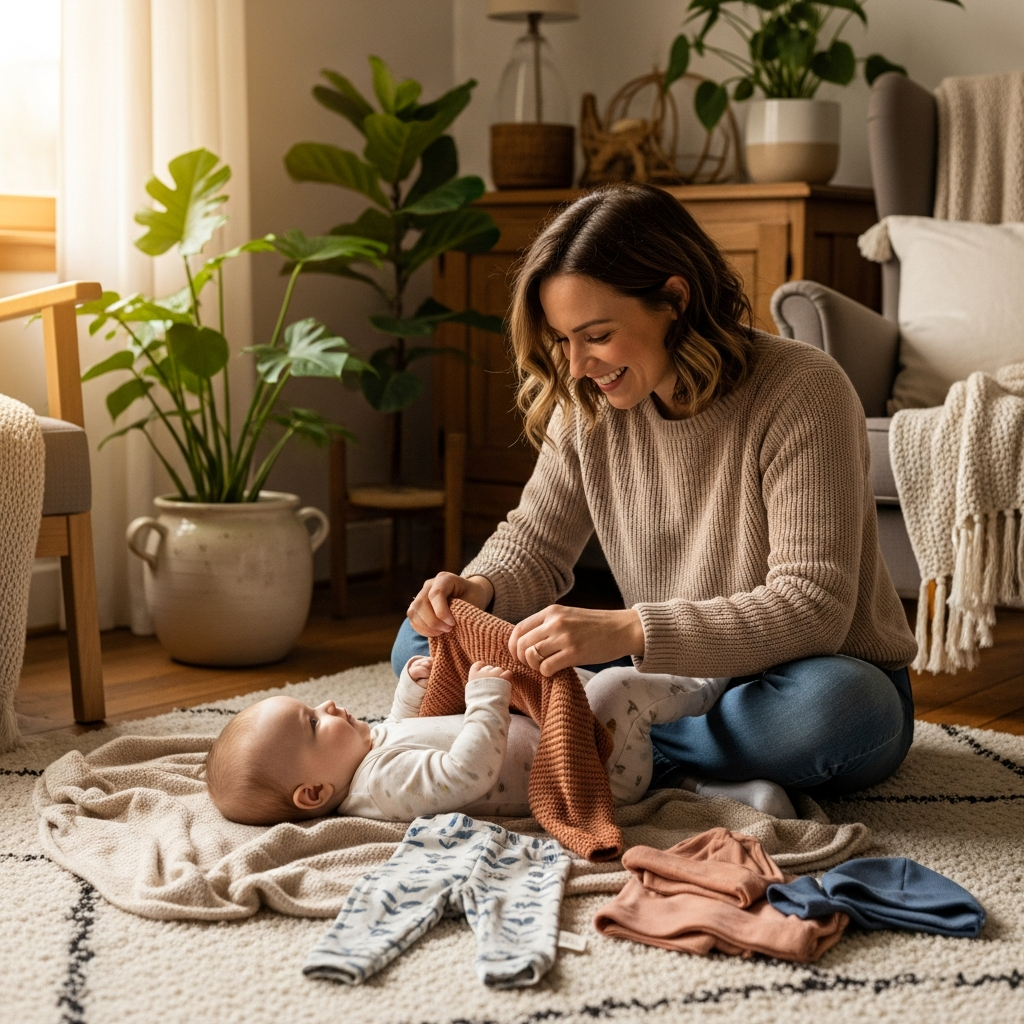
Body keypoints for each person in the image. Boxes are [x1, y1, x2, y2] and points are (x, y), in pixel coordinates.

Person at [398, 182, 918, 807]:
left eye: (596, 335)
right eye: (562, 340)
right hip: (665, 685)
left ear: (673, 298)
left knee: (841, 710)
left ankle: (574, 742)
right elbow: (533, 543)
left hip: (800, 675)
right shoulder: (588, 405)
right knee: (426, 639)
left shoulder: (803, 389)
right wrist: (477, 589)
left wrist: (629, 630)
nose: (576, 366)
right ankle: (642, 752)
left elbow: (814, 605)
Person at [205, 656, 789, 826]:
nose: (328, 704)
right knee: (616, 688)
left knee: (580, 686)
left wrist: (413, 689)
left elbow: (404, 730)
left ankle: (716, 789)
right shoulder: (380, 788)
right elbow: (464, 775)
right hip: (590, 775)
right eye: (312, 722)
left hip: (573, 743)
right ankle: (718, 675)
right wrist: (485, 697)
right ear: (313, 793)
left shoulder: (365, 756)